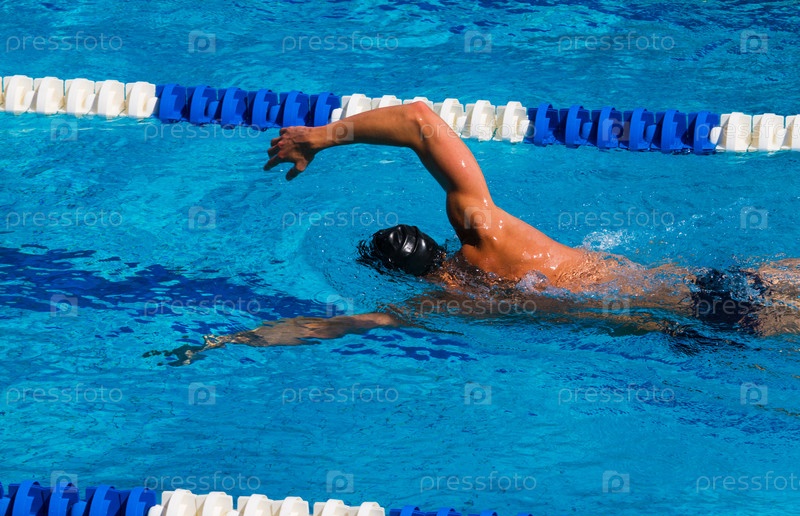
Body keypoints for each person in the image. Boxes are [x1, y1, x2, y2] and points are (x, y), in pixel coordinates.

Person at [149, 103, 800, 364]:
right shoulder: (487, 232)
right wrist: (321, 136)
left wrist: (227, 339)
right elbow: (421, 122)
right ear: (431, 239)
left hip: (696, 328)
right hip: (709, 288)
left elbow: (328, 327)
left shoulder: (443, 305)